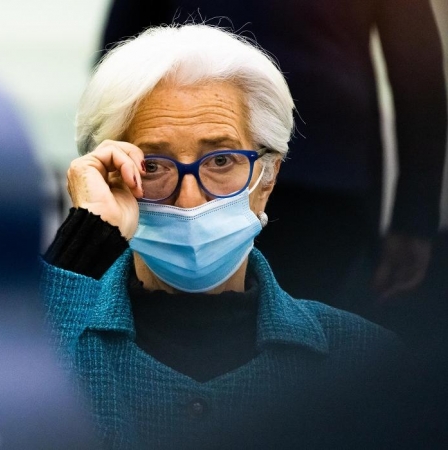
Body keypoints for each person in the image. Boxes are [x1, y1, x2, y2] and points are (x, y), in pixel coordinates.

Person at [41, 24, 403, 448]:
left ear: (266, 179)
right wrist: (89, 230)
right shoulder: (51, 339)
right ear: (112, 175)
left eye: (222, 160)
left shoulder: (365, 360)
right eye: (153, 166)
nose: (190, 200)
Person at [101, 0, 447, 313]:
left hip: (318, 178)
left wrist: (414, 219)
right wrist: (413, 220)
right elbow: (419, 73)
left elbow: (419, 74)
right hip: (319, 171)